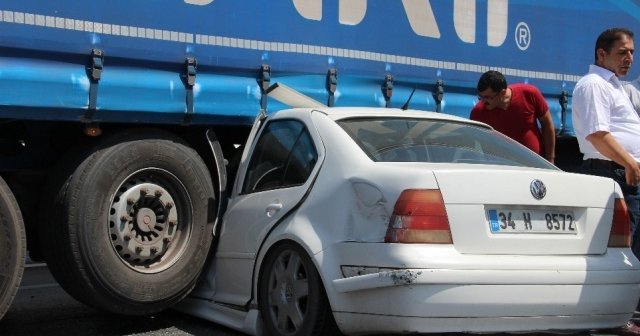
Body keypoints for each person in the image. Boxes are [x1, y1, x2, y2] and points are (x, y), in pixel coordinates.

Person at [572, 27, 640, 335]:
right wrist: (629, 163)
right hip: (612, 174)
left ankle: (625, 313)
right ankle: (613, 316)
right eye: (622, 52)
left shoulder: (617, 87)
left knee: (633, 249)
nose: (629, 58)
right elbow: (596, 134)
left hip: (626, 174)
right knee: (619, 250)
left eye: (632, 52)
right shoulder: (593, 84)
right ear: (602, 53)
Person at [470, 70, 556, 163]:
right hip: (502, 168)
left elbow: (547, 124)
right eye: (480, 97)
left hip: (535, 165)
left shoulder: (529, 94)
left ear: (502, 93)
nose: (483, 101)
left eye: (487, 97)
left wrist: (550, 159)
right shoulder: (478, 112)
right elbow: (473, 144)